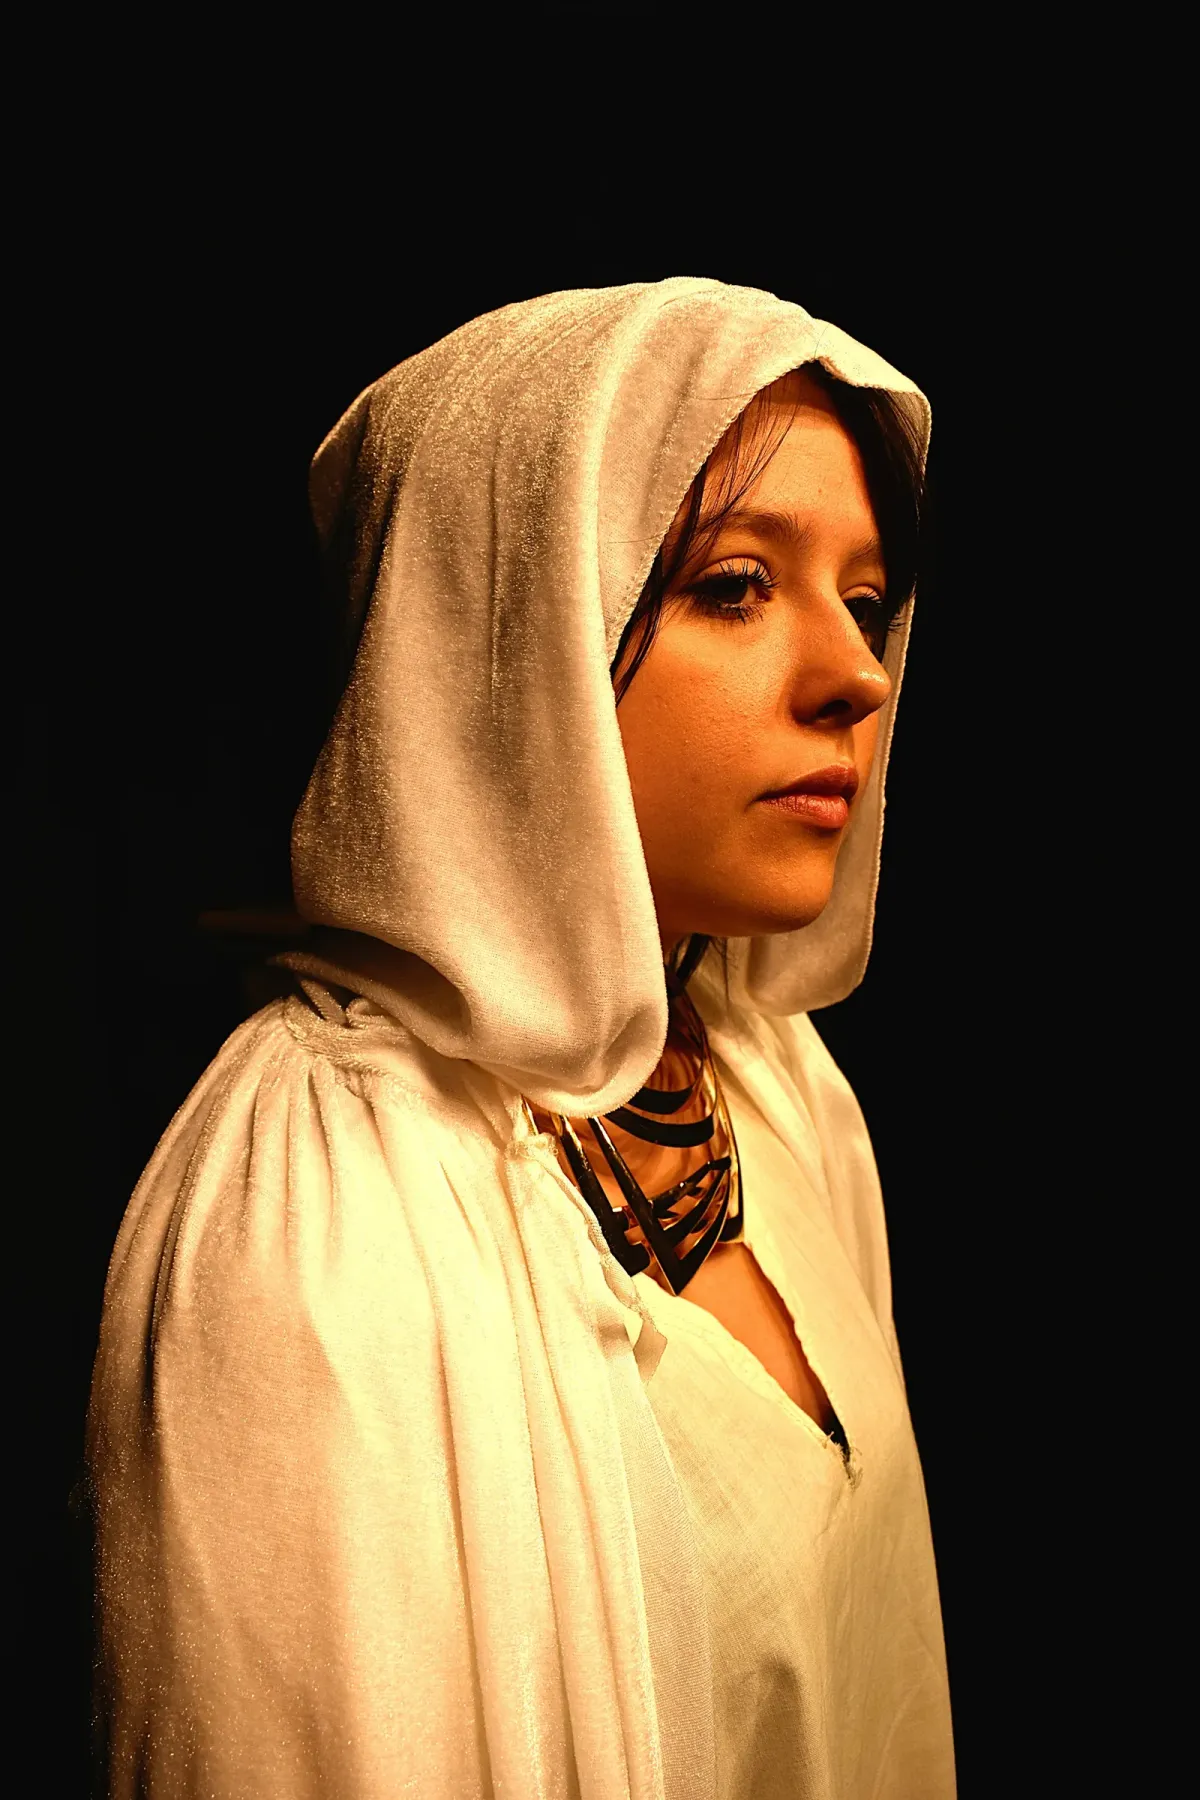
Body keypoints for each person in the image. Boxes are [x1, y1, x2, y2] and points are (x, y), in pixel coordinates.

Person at [86, 276, 956, 1799]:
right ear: (509, 629)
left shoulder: (778, 1092)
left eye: (868, 600)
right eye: (736, 585)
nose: (858, 677)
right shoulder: (316, 1212)